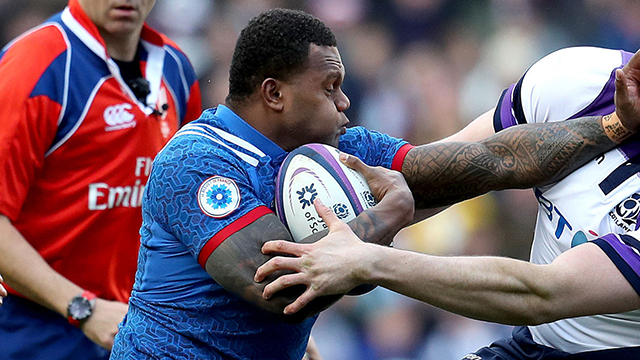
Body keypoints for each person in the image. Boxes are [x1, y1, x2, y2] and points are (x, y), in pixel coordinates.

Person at [111, 7, 640, 359]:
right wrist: (386, 218)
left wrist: (613, 125)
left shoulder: (346, 150)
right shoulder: (196, 161)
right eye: (330, 88)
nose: (345, 103)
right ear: (274, 94)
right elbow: (284, 288)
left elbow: (492, 160)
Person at [256, 46, 640, 359]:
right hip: (534, 343)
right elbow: (442, 178)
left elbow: (542, 294)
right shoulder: (582, 80)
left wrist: (366, 261)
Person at [0, 0, 202, 358]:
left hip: (139, 328)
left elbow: (190, 214)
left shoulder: (176, 69)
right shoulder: (36, 64)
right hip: (32, 329)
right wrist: (83, 308)